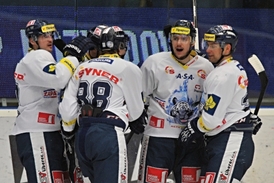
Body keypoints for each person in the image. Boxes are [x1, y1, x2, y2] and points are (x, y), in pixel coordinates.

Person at [59, 26, 147, 183]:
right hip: (108, 134)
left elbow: (67, 110)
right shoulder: (129, 68)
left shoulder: (82, 67)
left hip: (83, 136)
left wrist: (68, 132)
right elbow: (136, 112)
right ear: (120, 46)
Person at [178, 25, 262, 183]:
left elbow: (211, 120)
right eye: (207, 45)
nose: (208, 50)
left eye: (213, 46)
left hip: (230, 143)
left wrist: (193, 127)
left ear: (227, 48)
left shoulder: (222, 75)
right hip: (228, 141)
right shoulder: (234, 68)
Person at [13, 19, 93, 183]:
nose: (49, 39)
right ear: (31, 40)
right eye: (43, 36)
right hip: (36, 133)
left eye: (50, 34)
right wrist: (71, 56)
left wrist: (73, 58)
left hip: (48, 132)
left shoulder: (42, 61)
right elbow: (59, 78)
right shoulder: (35, 57)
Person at [137, 19, 214, 183]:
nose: (179, 43)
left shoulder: (206, 67)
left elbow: (212, 103)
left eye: (184, 39)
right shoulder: (154, 62)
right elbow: (139, 95)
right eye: (175, 38)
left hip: (192, 141)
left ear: (192, 41)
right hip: (158, 138)